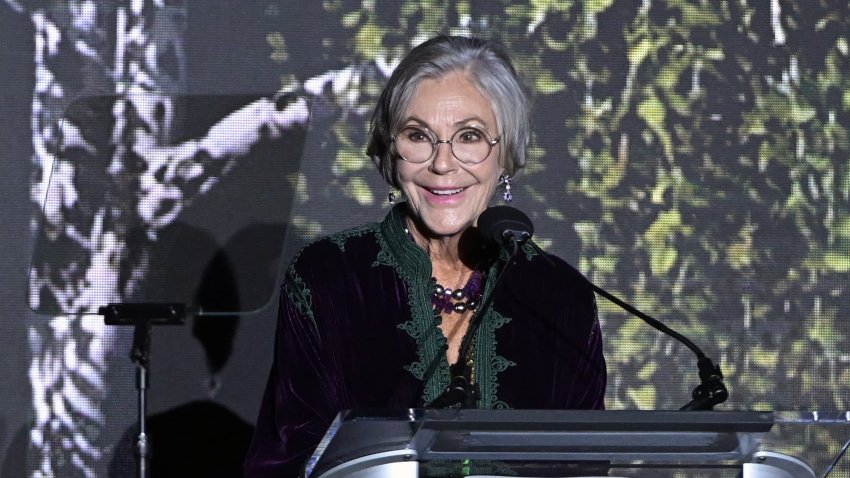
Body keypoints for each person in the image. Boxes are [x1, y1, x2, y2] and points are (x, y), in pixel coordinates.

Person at [243, 35, 606, 478]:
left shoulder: (559, 296)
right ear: (392, 152)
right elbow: (287, 461)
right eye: (419, 136)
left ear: (505, 152)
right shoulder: (328, 280)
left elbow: (585, 466)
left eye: (468, 136)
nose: (442, 163)